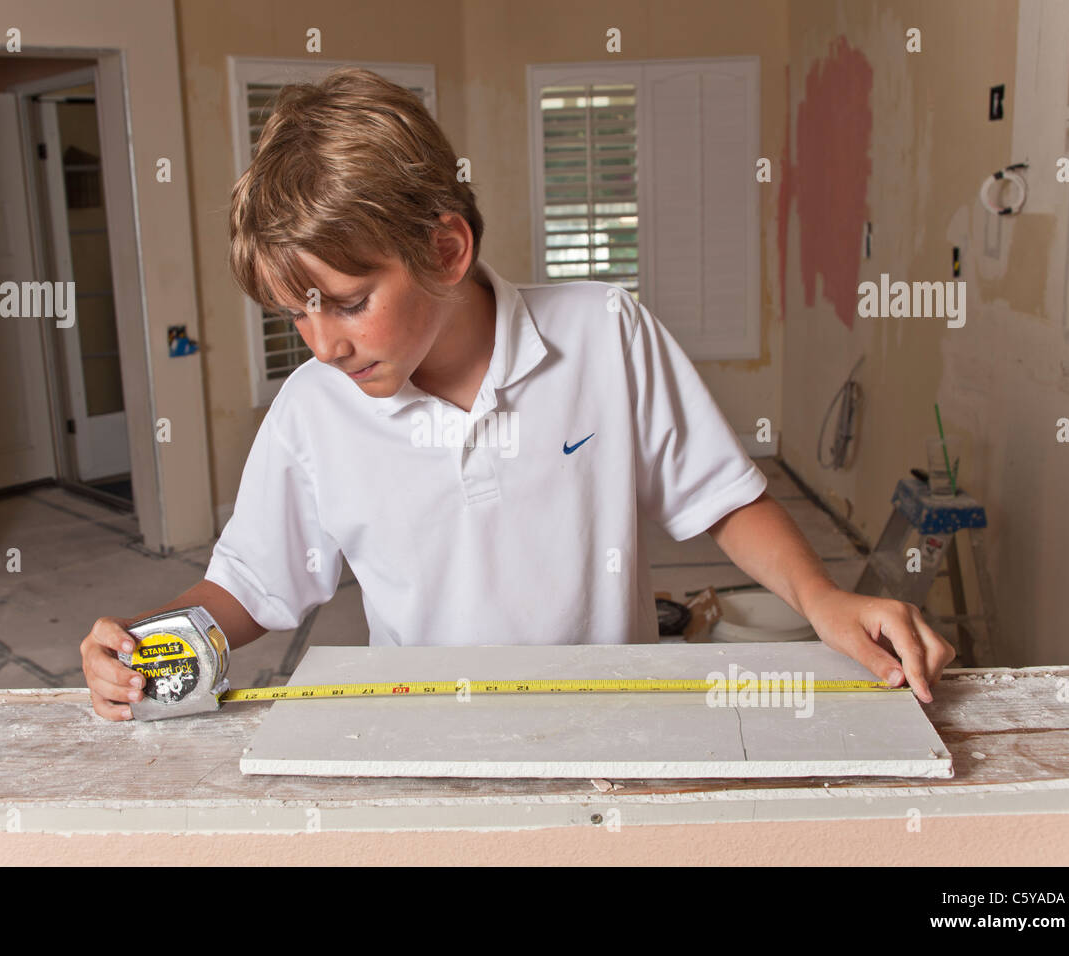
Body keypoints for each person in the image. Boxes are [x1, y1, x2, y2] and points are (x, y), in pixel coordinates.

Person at [80, 67, 953, 720]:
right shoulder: (313, 410)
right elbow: (251, 588)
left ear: (447, 250)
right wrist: (142, 641)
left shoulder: (607, 334)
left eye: (349, 303)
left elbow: (721, 497)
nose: (323, 343)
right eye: (295, 316)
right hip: (426, 731)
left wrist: (824, 598)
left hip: (616, 718)